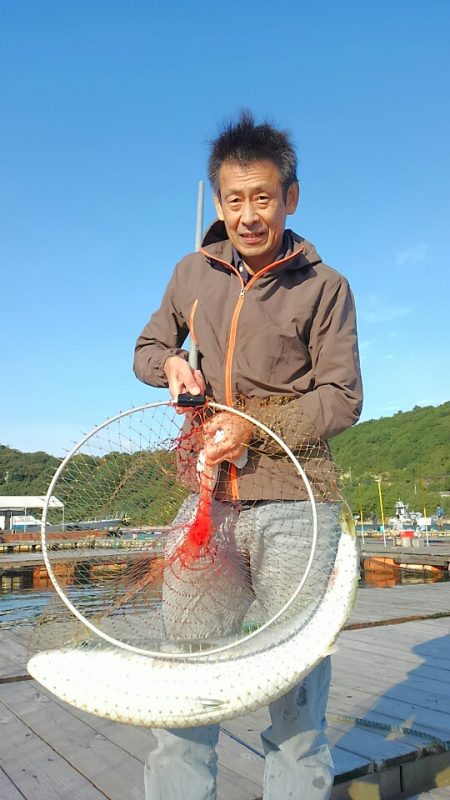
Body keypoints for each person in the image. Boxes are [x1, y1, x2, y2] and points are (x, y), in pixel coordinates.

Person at [133, 112, 363, 800]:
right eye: (235, 199)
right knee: (187, 685)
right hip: (208, 501)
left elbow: (341, 399)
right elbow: (145, 351)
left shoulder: (326, 287)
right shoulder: (190, 273)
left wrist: (252, 432)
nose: (249, 214)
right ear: (219, 200)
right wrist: (172, 363)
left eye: (263, 197)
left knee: (292, 689)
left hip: (299, 506)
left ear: (290, 197)